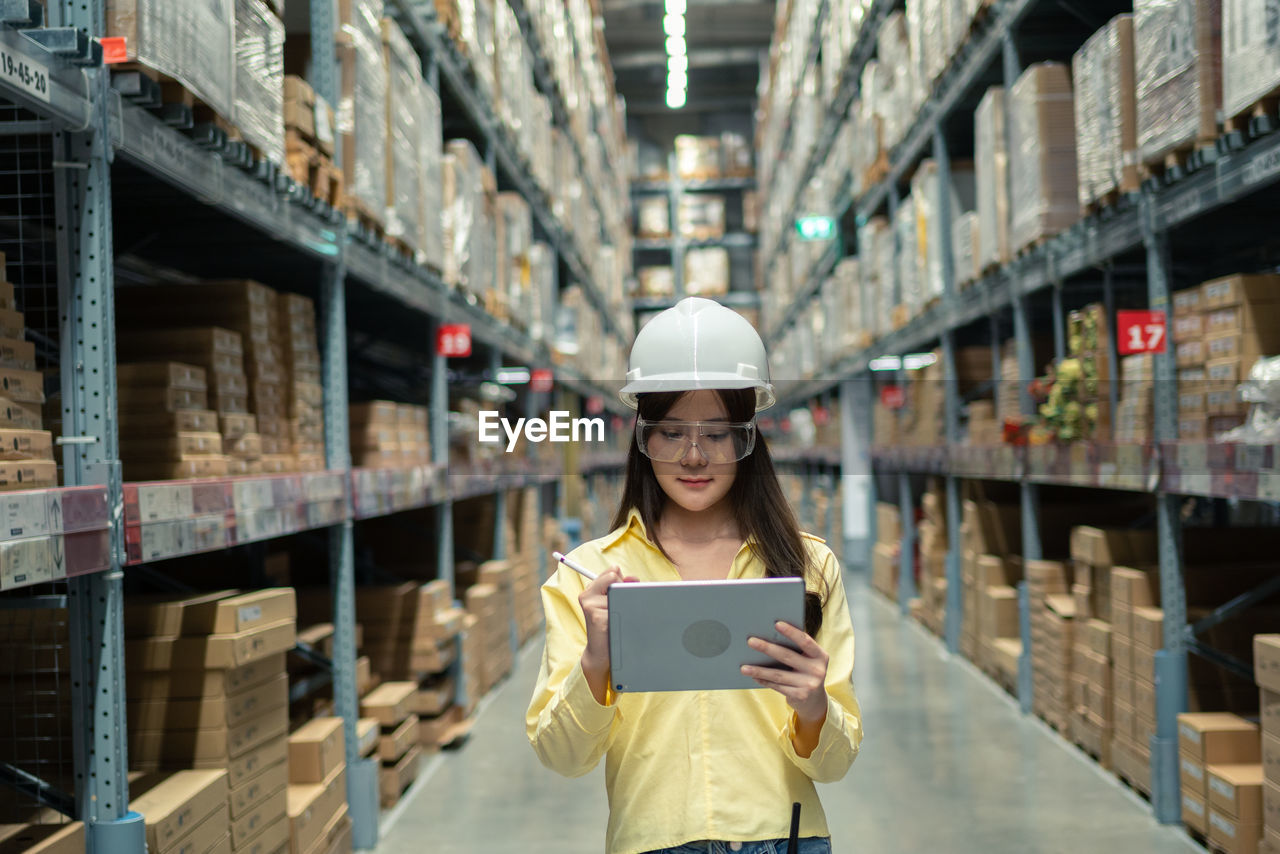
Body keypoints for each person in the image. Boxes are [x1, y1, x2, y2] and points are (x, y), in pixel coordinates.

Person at [526, 297, 863, 854]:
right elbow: (562, 757)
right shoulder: (590, 575)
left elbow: (836, 764)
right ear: (643, 438)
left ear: (747, 439)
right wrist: (595, 663)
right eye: (671, 431)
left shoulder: (808, 568)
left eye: (716, 432)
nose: (694, 455)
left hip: (783, 839)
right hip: (650, 841)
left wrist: (814, 708)